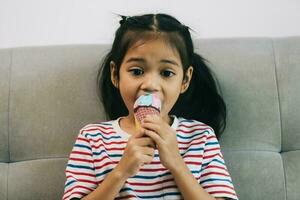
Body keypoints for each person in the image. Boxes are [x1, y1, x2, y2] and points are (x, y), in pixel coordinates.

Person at [63, 13, 238, 200]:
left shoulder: (201, 137)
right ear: (115, 74)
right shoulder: (92, 138)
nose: (150, 84)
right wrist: (121, 172)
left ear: (185, 80)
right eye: (137, 71)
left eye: (166, 73)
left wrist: (177, 165)